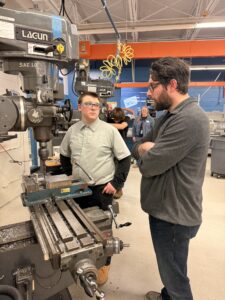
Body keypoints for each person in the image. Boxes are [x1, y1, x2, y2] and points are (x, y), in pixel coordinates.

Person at [132, 57, 210, 300]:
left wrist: (148, 150)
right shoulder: (169, 116)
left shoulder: (190, 119)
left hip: (174, 215)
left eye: (153, 85)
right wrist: (146, 147)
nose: (149, 92)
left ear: (172, 85)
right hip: (164, 210)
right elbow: (137, 146)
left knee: (176, 278)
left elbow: (149, 165)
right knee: (171, 267)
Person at [60, 91, 131, 284]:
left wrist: (116, 184)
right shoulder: (72, 131)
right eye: (89, 104)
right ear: (80, 107)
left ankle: (103, 266)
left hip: (101, 190)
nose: (93, 107)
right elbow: (64, 155)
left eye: (96, 105)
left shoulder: (109, 131)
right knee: (77, 227)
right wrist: (70, 175)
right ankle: (81, 263)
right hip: (77, 190)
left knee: (103, 231)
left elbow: (125, 159)